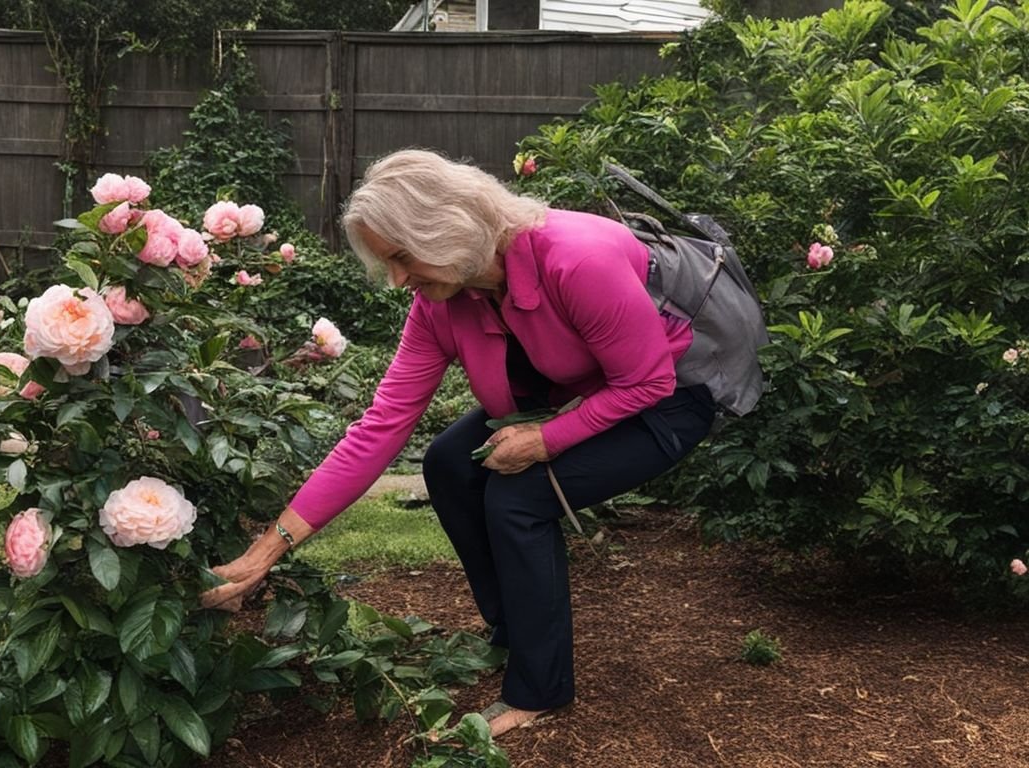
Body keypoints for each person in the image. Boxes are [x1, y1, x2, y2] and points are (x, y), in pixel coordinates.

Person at [201, 149, 717, 737]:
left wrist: (547, 439)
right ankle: (516, 631)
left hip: (670, 396)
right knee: (447, 462)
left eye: (401, 256)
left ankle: (538, 689)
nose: (396, 280)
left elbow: (649, 380)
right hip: (580, 388)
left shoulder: (577, 259)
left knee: (518, 498)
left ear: (447, 227)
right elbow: (380, 427)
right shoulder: (444, 302)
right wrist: (264, 553)